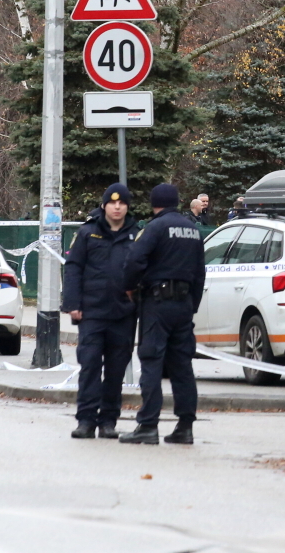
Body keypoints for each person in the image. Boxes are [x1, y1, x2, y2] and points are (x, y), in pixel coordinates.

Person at [120, 183, 206, 445]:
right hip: (183, 306)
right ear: (178, 202)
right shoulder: (193, 230)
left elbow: (135, 261)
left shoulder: (154, 228)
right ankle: (185, 426)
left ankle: (148, 425)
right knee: (182, 367)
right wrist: (192, 305)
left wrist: (129, 288)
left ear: (154, 203)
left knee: (151, 361)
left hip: (157, 304)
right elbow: (200, 271)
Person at [63, 183, 138, 439]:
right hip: (92, 313)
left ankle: (108, 421)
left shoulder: (136, 235)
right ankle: (85, 420)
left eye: (122, 203)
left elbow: (143, 272)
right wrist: (73, 304)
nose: (117, 207)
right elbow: (73, 268)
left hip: (123, 314)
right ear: (104, 205)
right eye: (112, 202)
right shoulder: (87, 233)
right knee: (90, 367)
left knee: (116, 370)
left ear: (127, 206)